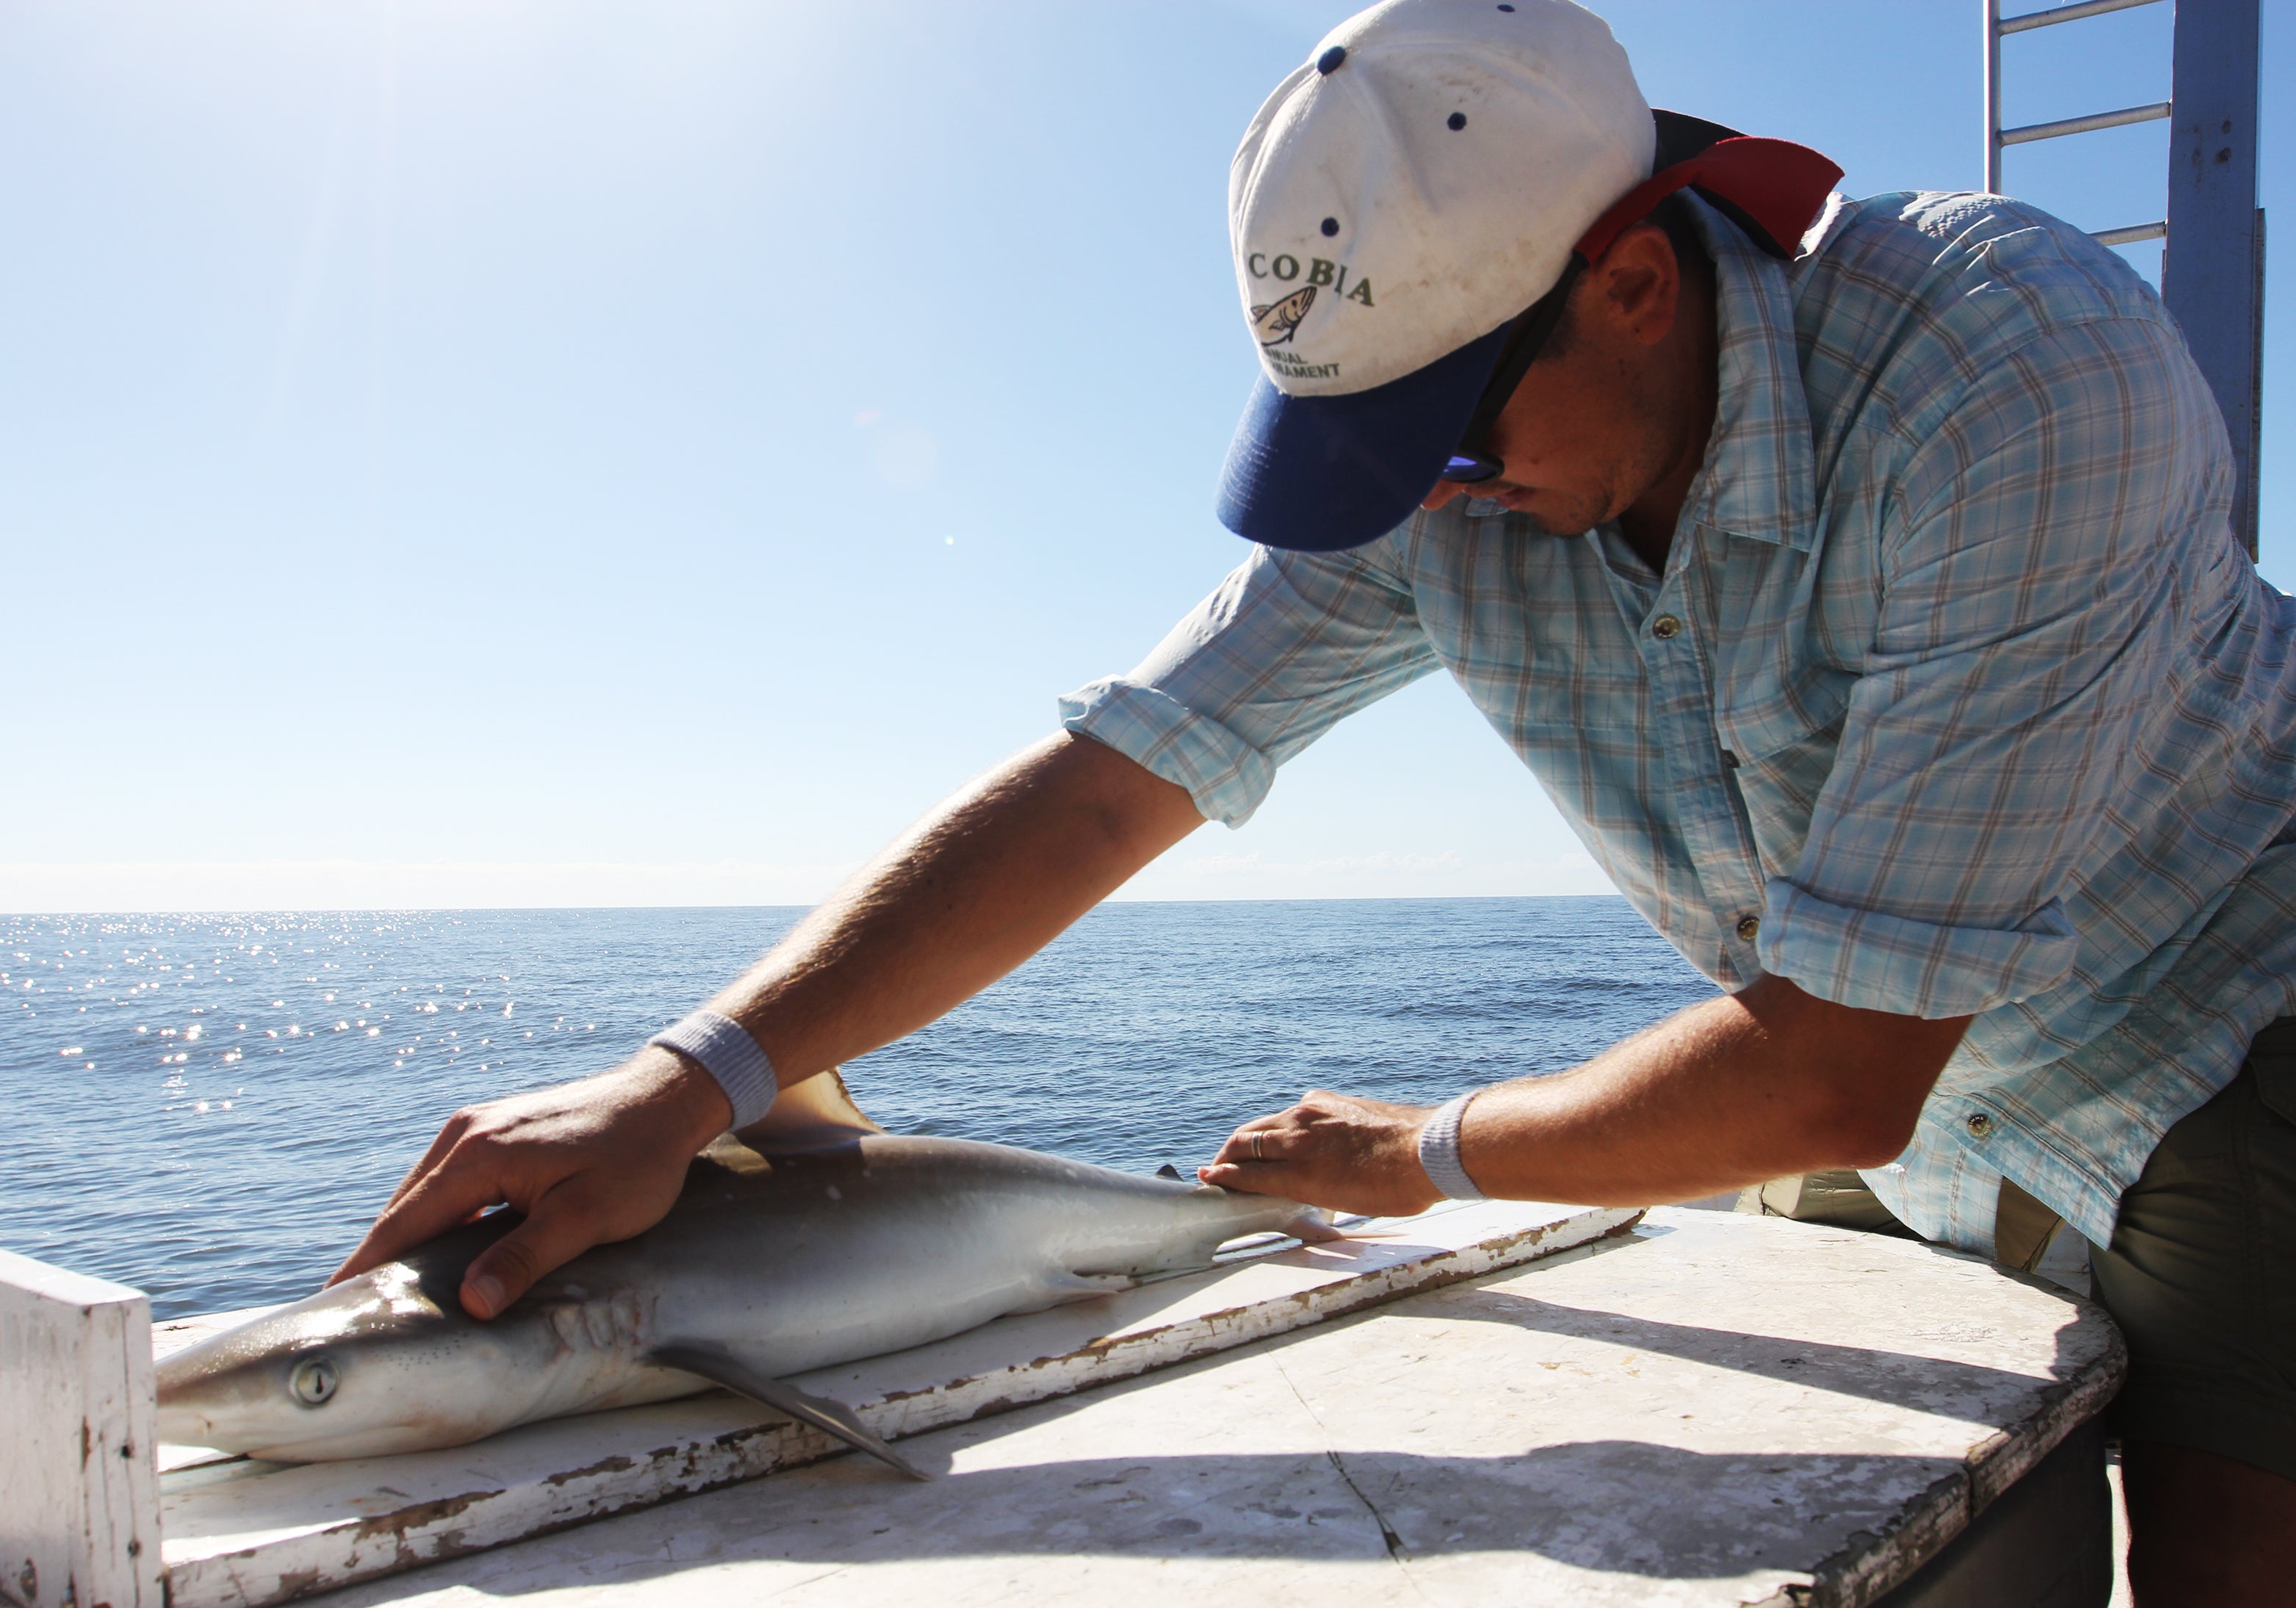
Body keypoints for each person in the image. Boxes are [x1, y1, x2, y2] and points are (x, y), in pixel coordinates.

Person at [337, 1, 2295, 1598]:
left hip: (2218, 1012)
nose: (1420, 500)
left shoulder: (2010, 371)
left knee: (2221, 1550)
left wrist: (1421, 1154)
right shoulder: (1441, 467)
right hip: (1897, 1065)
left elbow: (1837, 1065)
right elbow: (1117, 783)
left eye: (1439, 437)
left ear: (1625, 280)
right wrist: (692, 1081)